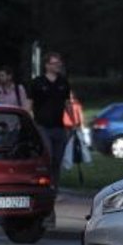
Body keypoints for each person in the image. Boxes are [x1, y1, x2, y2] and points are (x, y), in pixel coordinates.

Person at [29, 52, 72, 186]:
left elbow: (67, 104)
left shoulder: (63, 82)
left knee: (57, 160)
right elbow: (29, 103)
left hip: (59, 126)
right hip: (42, 126)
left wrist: (73, 122)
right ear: (47, 65)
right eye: (55, 63)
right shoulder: (37, 82)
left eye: (59, 63)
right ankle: (44, 185)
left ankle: (54, 187)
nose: (58, 66)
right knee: (48, 155)